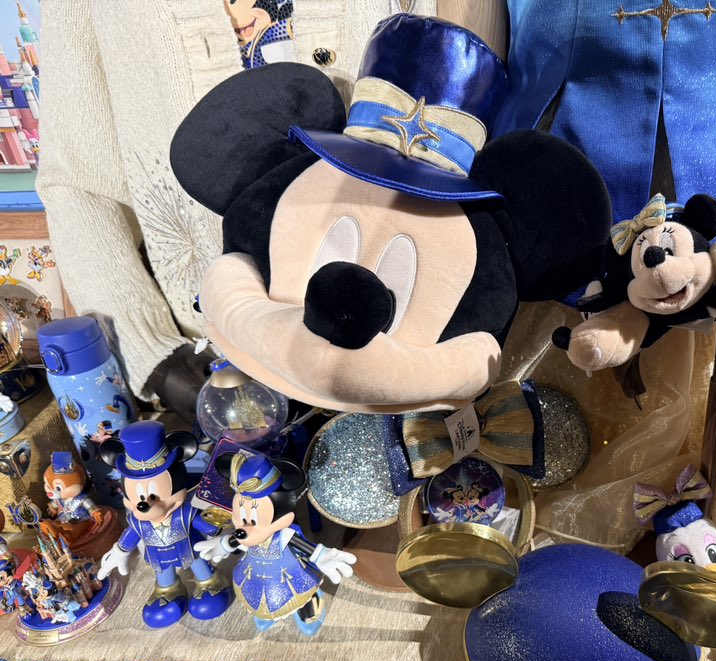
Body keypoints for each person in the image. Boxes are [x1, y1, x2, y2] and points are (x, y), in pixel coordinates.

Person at [37, 1, 441, 420]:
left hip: (394, 343)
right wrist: (155, 353)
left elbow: (445, 114)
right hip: (215, 364)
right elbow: (78, 182)